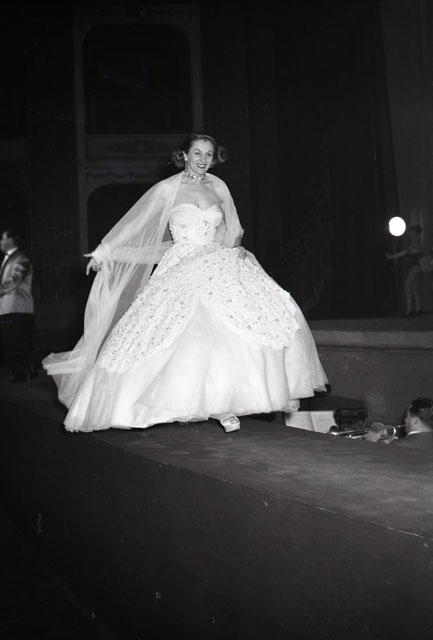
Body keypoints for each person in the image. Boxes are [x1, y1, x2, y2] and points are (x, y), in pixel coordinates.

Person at [43, 133, 328, 433]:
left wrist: (235, 250)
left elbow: (233, 228)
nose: (203, 159)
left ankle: (226, 402)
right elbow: (136, 224)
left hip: (219, 260)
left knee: (254, 321)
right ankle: (186, 403)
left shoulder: (219, 186)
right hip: (182, 263)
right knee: (186, 331)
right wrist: (104, 251)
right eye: (197, 153)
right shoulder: (167, 188)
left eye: (209, 154)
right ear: (184, 155)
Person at [0, 230, 36, 383]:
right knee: (9, 343)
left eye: (2, 239)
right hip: (6, 308)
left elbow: (14, 281)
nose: (0, 242)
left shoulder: (21, 258)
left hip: (18, 307)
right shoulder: (8, 259)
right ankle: (21, 374)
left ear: (11, 240)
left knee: (17, 342)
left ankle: (27, 373)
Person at [386, 224, 423, 317]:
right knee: (414, 288)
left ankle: (409, 310)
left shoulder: (415, 244)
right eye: (410, 234)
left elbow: (405, 252)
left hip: (415, 267)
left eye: (412, 234)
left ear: (415, 234)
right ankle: (417, 309)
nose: (410, 235)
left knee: (406, 288)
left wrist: (392, 257)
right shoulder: (417, 243)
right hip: (417, 268)